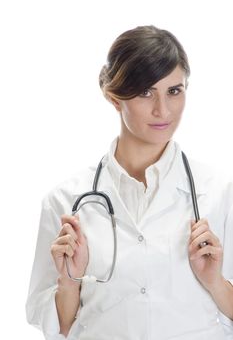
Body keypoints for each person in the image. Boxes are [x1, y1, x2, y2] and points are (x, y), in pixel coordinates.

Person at [26, 25, 233, 340]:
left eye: (174, 91)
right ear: (113, 97)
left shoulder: (219, 192)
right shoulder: (65, 201)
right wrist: (71, 280)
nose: (162, 110)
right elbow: (59, 327)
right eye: (145, 92)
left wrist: (215, 281)